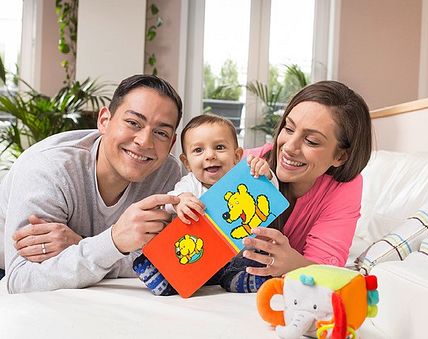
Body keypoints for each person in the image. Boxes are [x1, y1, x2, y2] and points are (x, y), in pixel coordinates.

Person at [0, 74, 183, 293]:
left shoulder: (166, 172)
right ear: (104, 120)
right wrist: (113, 242)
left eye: (161, 133)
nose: (144, 142)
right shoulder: (48, 168)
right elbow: (21, 281)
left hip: (95, 289)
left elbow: (165, 263)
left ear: (172, 142)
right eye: (133, 123)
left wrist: (84, 244)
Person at [133, 114, 279, 295]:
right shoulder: (190, 184)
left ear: (237, 156)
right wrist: (180, 202)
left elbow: (271, 192)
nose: (210, 155)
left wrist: (266, 174)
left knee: (253, 262)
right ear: (186, 162)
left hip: (237, 258)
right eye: (198, 150)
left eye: (219, 147)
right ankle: (160, 276)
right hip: (199, 260)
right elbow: (169, 201)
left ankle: (242, 280)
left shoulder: (245, 179)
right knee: (176, 267)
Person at [240, 80, 372, 279]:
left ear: (341, 157)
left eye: (311, 141)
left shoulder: (344, 187)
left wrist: (293, 264)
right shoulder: (249, 163)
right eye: (289, 129)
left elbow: (328, 271)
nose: (289, 147)